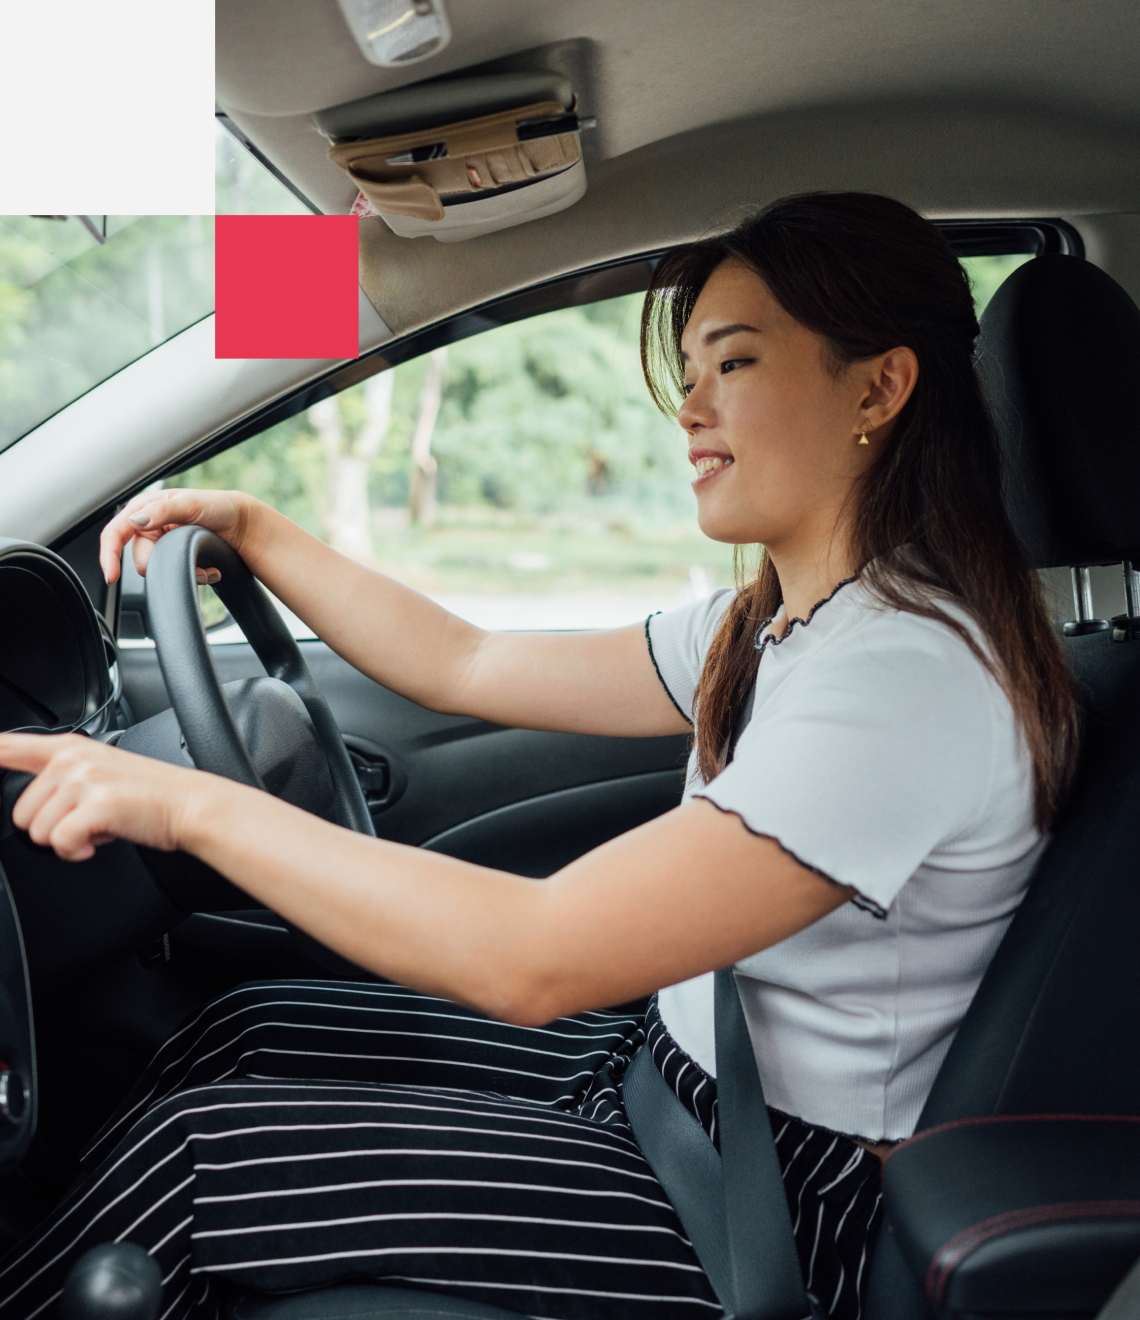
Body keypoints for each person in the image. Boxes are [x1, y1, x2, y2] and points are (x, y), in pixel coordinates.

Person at [0, 192, 1078, 1320]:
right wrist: (258, 530)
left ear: (878, 387)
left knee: (194, 1162)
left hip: (766, 1209)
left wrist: (189, 807)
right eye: (690, 373)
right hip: (676, 1089)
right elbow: (467, 662)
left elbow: (534, 957)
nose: (690, 409)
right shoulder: (777, 623)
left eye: (734, 363)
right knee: (246, 1030)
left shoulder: (907, 680)